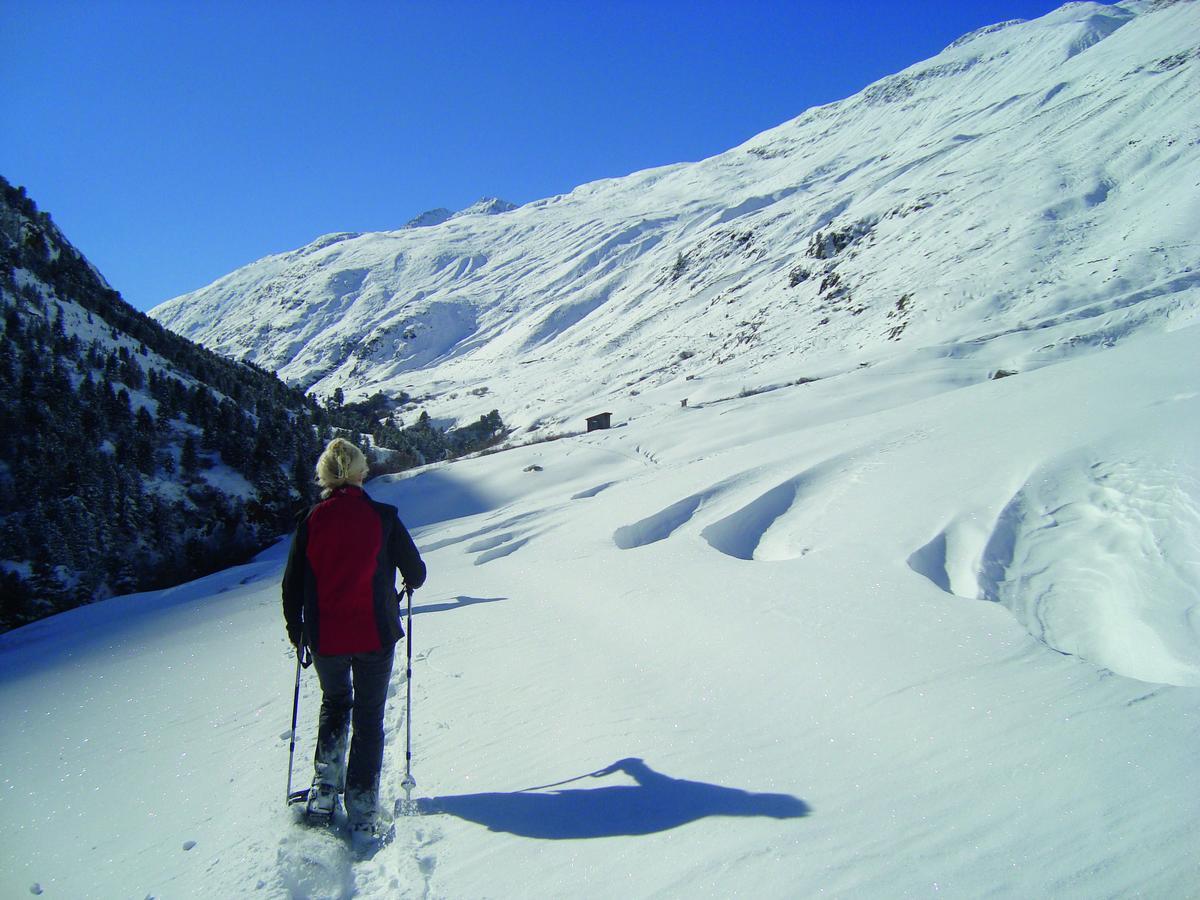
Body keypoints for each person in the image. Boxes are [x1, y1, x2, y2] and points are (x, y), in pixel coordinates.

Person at [282, 437, 426, 834]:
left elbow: (292, 584)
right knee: (368, 716)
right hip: (375, 634)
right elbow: (417, 572)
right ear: (363, 472)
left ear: (325, 476)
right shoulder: (384, 517)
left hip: (326, 635)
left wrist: (298, 631)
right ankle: (362, 802)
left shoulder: (311, 520)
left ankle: (325, 788)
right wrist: (401, 583)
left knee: (335, 702)